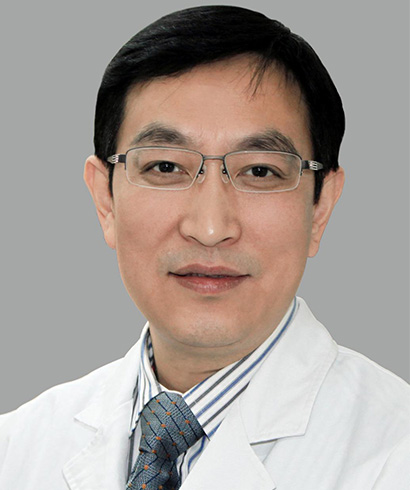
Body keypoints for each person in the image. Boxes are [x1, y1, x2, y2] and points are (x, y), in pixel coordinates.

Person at [0, 5, 409, 489]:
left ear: (321, 207)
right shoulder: (16, 449)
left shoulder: (394, 453)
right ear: (104, 199)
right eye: (165, 167)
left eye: (260, 171)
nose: (211, 228)